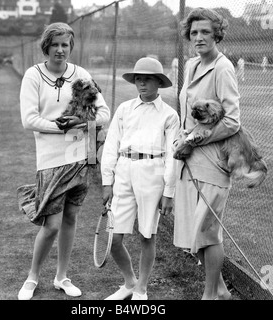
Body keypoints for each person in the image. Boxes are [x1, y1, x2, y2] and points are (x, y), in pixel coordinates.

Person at [17, 22, 110, 300]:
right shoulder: (33, 75)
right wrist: (62, 126)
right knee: (52, 224)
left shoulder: (80, 74)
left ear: (71, 47)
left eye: (65, 45)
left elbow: (104, 113)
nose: (60, 50)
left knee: (70, 217)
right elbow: (28, 120)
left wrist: (81, 122)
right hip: (49, 158)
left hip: (78, 156)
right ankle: (32, 277)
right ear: (46, 47)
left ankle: (62, 277)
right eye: (55, 44)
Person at [173, 8, 240, 300]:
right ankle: (222, 290)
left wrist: (194, 141)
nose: (199, 37)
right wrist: (182, 138)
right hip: (189, 160)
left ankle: (210, 295)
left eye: (206, 32)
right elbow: (187, 112)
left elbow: (232, 120)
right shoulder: (190, 65)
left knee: (208, 232)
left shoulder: (223, 67)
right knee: (194, 232)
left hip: (213, 162)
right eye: (194, 32)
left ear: (217, 35)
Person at [101, 57, 179, 300]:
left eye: (147, 79)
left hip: (152, 173)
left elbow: (173, 156)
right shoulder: (124, 109)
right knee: (114, 239)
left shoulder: (169, 115)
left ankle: (141, 289)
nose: (141, 83)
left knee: (148, 234)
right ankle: (129, 282)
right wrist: (107, 181)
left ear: (159, 82)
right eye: (138, 79)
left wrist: (169, 192)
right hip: (124, 171)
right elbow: (111, 144)